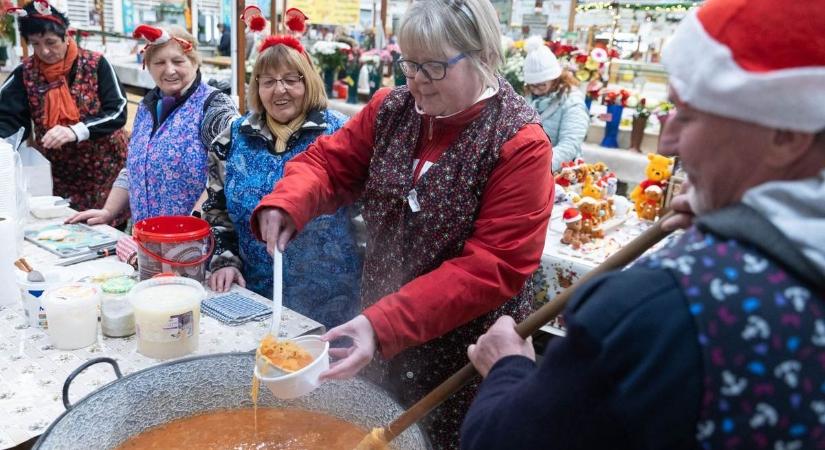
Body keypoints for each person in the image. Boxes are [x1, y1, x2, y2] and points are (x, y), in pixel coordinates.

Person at [461, 0, 825, 448]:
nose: (668, 140)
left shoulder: (657, 306)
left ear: (787, 137)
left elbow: (501, 442)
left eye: (687, 115)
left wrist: (506, 367)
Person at [252, 0, 553, 446]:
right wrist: (287, 202)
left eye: (432, 67)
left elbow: (492, 266)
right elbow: (330, 165)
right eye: (408, 63)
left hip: (464, 357)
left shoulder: (518, 144)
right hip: (379, 334)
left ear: (484, 57)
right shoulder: (392, 109)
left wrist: (382, 325)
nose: (415, 81)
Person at [203, 34, 362, 329]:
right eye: (268, 81)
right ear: (257, 88)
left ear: (309, 82)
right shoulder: (232, 137)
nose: (280, 90)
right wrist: (225, 260)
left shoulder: (341, 134)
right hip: (256, 300)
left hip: (333, 305)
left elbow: (365, 217)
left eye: (291, 79)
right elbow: (217, 211)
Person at [67, 25, 237, 225]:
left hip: (195, 242)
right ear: (147, 66)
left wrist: (193, 222)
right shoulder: (147, 106)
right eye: (159, 62)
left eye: (178, 61)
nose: (169, 70)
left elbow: (229, 171)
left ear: (194, 62)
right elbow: (133, 167)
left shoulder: (213, 106)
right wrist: (108, 211)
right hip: (149, 239)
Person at [0, 1, 129, 225]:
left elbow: (117, 110)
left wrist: (75, 131)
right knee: (66, 228)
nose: (44, 51)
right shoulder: (25, 73)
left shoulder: (95, 63)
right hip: (60, 175)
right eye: (35, 44)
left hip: (105, 170)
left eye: (50, 42)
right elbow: (8, 119)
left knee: (107, 231)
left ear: (65, 36)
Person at [522, 35, 589, 172]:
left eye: (541, 85)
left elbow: (570, 144)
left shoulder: (572, 102)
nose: (535, 89)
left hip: (558, 173)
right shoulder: (529, 98)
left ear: (555, 79)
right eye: (531, 85)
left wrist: (538, 168)